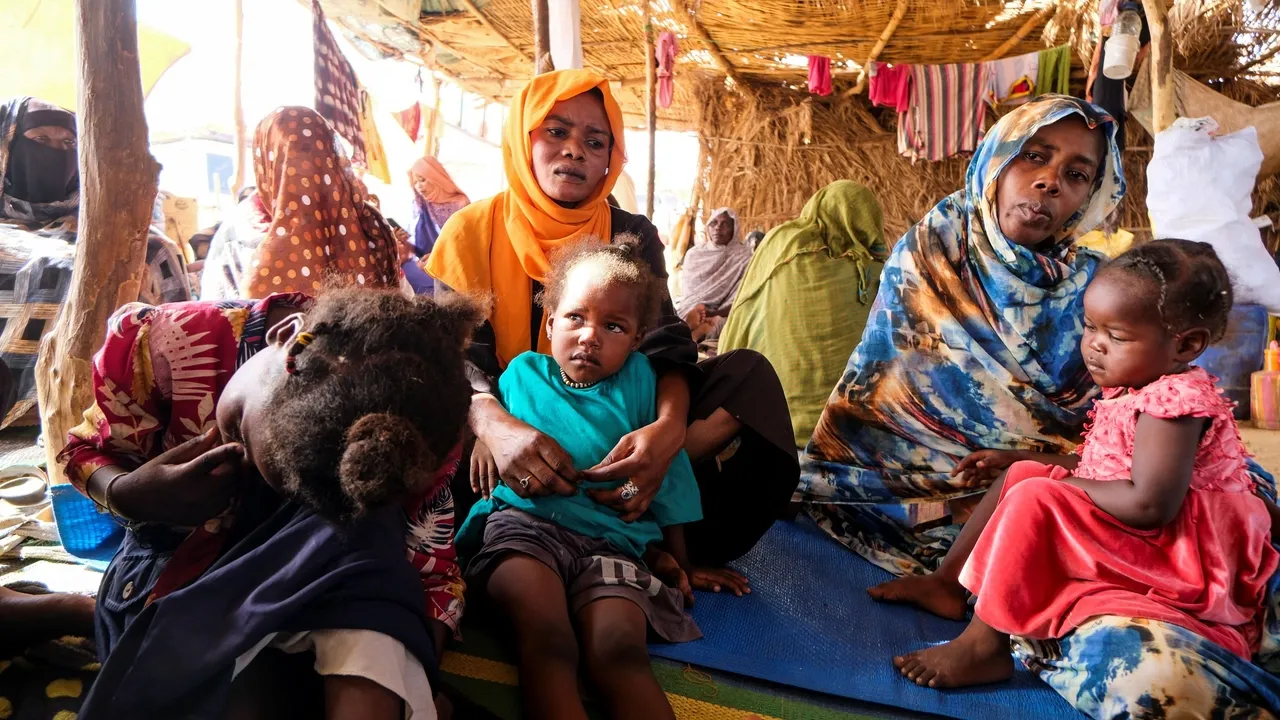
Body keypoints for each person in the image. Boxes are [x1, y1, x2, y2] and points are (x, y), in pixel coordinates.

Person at [426, 69, 798, 571]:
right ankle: (563, 525)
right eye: (556, 131)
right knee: (416, 413)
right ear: (523, 139)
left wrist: (666, 432)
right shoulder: (470, 232)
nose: (574, 150)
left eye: (595, 141)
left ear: (610, 159)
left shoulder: (630, 233)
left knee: (748, 378)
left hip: (617, 420)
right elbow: (456, 360)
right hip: (505, 431)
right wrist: (495, 426)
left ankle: (637, 494)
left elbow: (664, 345)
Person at [893, 240, 1280, 717]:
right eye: (1091, 326)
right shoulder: (1143, 384)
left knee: (1037, 497)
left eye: (1115, 335)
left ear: (1186, 345)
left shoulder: (1175, 404)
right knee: (1024, 475)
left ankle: (985, 645)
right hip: (1154, 526)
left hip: (1183, 553)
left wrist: (1060, 490)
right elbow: (1107, 465)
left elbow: (1150, 504)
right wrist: (1020, 458)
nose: (1094, 344)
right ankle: (948, 584)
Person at [58, 287, 474, 718]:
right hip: (172, 567)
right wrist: (128, 494)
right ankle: (85, 613)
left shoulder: (420, 434)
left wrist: (408, 654)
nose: (243, 463)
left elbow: (433, 574)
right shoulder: (169, 344)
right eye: (240, 430)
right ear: (286, 335)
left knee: (365, 537)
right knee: (249, 690)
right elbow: (84, 452)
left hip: (314, 573)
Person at [798, 95, 1125, 580]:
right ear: (996, 158)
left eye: (1076, 174)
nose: (1050, 181)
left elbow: (1125, 433)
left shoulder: (1100, 287)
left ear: (1090, 196)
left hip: (1037, 497)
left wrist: (1030, 468)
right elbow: (880, 399)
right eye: (1033, 155)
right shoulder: (934, 250)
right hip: (891, 493)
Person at [460, 240, 733, 720]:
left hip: (613, 543)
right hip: (525, 529)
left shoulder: (641, 383)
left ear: (637, 338)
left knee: (618, 652)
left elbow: (664, 475)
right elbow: (494, 424)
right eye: (575, 318)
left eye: (613, 326)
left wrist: (682, 560)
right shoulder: (523, 373)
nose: (590, 336)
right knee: (546, 638)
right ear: (550, 324)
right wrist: (484, 437)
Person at [0, 97, 190, 428]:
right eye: (41, 139)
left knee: (155, 248)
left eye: (68, 143)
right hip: (18, 420)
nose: (56, 152)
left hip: (122, 416)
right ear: (8, 147)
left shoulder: (116, 231)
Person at [719, 181, 888, 447]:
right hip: (851, 431)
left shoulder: (784, 243)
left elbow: (746, 309)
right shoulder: (877, 275)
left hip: (773, 421)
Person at [200, 107, 401, 300]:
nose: (304, 171)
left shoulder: (370, 224)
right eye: (293, 159)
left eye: (315, 156)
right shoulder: (239, 235)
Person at [676, 207, 751, 343]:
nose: (718, 227)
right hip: (693, 309)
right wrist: (699, 310)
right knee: (681, 316)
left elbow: (741, 298)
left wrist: (713, 314)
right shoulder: (694, 254)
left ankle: (697, 333)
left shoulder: (744, 257)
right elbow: (689, 296)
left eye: (725, 224)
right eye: (714, 223)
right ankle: (691, 327)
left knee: (732, 322)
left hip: (722, 314)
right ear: (708, 227)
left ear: (734, 229)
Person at [401, 156, 470, 295]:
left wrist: (437, 258)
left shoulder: (461, 204)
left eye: (422, 180)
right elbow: (420, 249)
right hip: (426, 267)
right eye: (415, 182)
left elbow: (467, 247)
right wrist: (405, 242)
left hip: (454, 272)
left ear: (436, 178)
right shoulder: (422, 206)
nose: (418, 186)